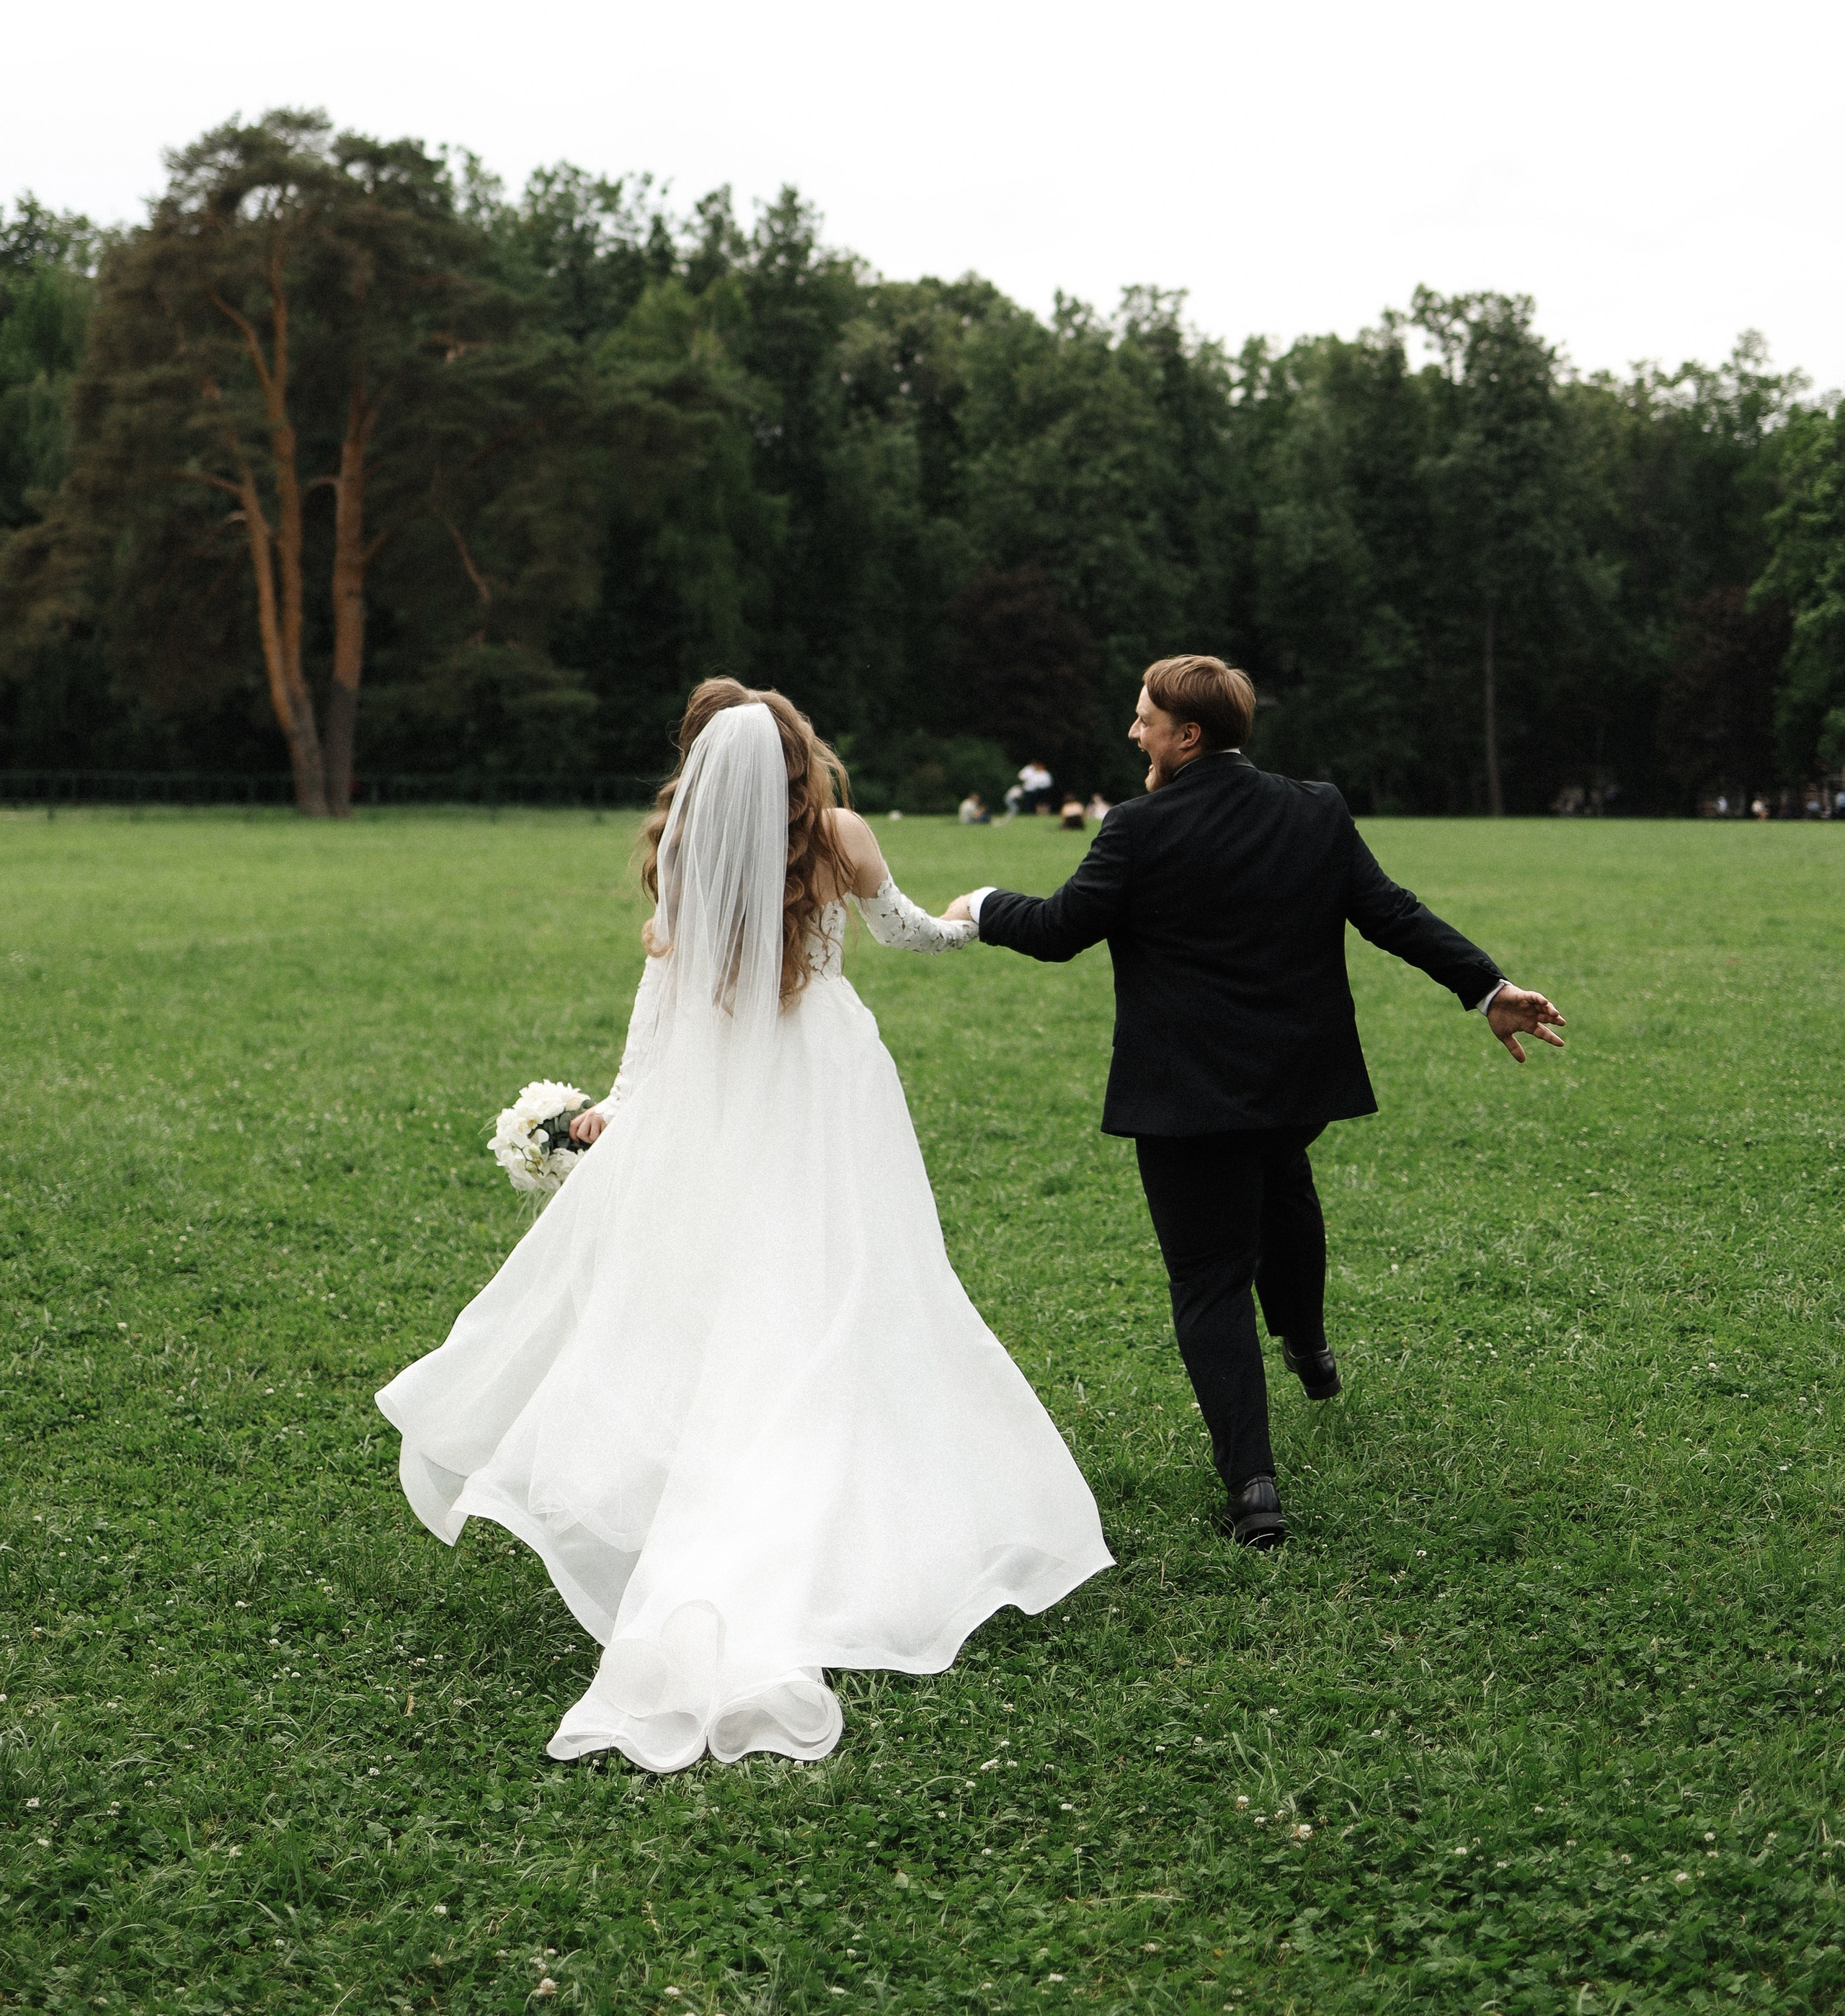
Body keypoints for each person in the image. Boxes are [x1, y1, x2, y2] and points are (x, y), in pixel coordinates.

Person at [378, 681, 1110, 1771]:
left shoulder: (685, 849)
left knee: (719, 1289)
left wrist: (622, 1108)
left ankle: (718, 1474)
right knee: (847, 1283)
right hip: (823, 1083)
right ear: (801, 757)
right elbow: (906, 935)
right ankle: (829, 1491)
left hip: (719, 1089)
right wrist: (972, 919)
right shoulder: (841, 835)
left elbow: (659, 1000)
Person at [945, 653, 1563, 1554]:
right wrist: (1487, 988)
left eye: (1144, 719)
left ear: (1186, 736)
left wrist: (984, 902)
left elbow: (1058, 932)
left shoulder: (1138, 829)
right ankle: (1309, 1351)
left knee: (1208, 1281)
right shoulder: (1313, 809)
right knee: (1280, 1179)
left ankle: (1254, 1490)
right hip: (1293, 1085)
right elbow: (1391, 911)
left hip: (1186, 1098)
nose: (1132, 733)